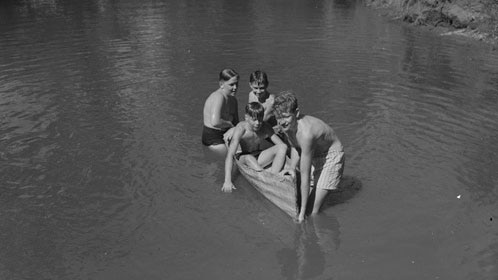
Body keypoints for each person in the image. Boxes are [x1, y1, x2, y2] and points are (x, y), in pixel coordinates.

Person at [274, 91, 345, 222]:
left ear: (296, 113)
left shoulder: (306, 134)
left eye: (285, 116)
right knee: (300, 198)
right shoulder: (288, 125)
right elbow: (295, 146)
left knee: (311, 212)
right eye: (278, 117)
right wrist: (292, 166)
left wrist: (301, 214)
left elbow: (305, 177)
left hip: (331, 156)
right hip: (314, 154)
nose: (281, 122)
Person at [222, 102, 288, 193]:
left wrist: (292, 165)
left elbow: (281, 145)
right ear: (246, 117)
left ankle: (273, 176)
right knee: (249, 157)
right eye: (254, 120)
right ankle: (265, 178)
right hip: (243, 157)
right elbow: (230, 155)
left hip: (258, 155)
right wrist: (227, 180)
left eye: (260, 120)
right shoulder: (241, 129)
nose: (258, 123)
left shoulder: (265, 127)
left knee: (283, 147)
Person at [202, 68, 240, 157]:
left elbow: (237, 123)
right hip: (213, 139)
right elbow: (215, 122)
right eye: (231, 85)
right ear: (221, 84)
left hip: (227, 133)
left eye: (236, 84)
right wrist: (230, 125)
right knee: (233, 156)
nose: (235, 87)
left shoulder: (233, 100)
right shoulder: (218, 97)